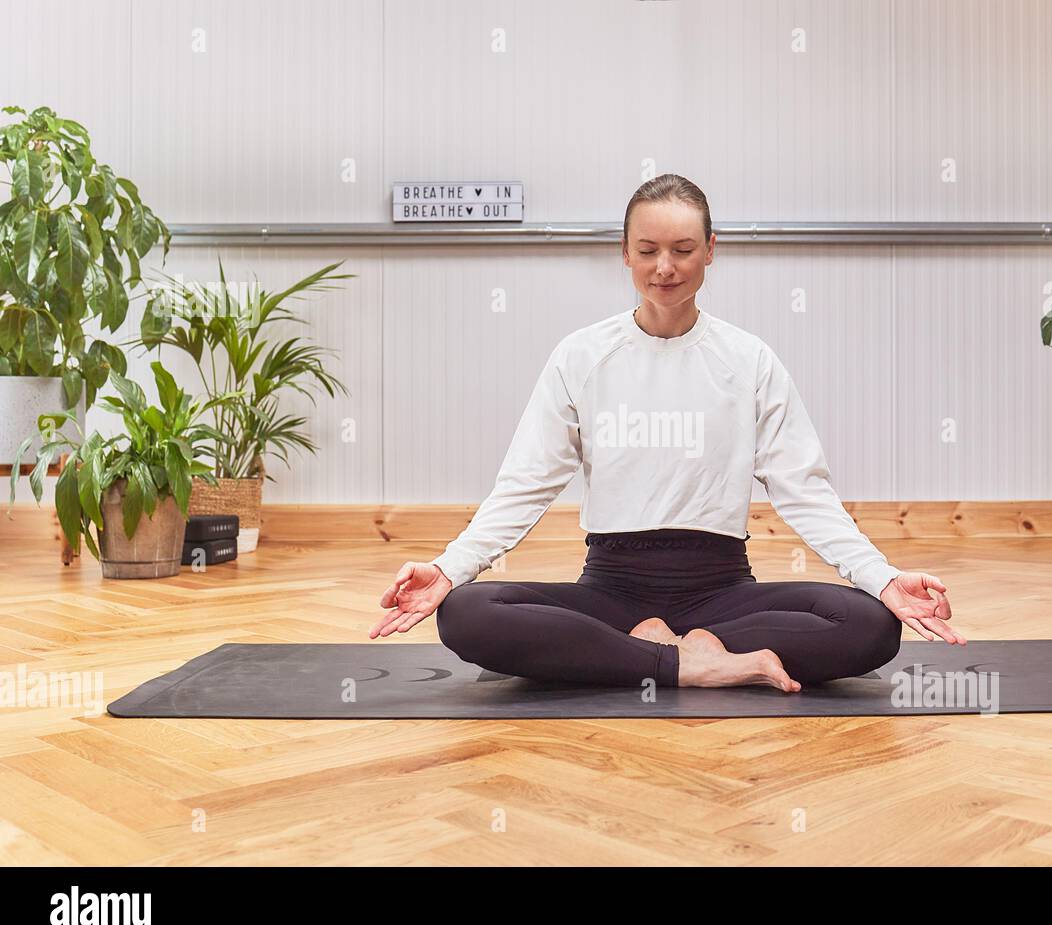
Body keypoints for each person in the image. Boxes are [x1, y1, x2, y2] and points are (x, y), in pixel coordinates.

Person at [370, 174, 966, 692]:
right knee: (468, 613)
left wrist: (884, 579)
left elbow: (805, 492)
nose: (665, 267)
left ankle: (647, 655)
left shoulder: (749, 360)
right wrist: (449, 569)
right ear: (624, 254)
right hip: (611, 589)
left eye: (683, 249)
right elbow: (525, 485)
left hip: (721, 593)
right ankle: (697, 665)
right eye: (648, 249)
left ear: (711, 251)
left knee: (870, 625)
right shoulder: (581, 356)